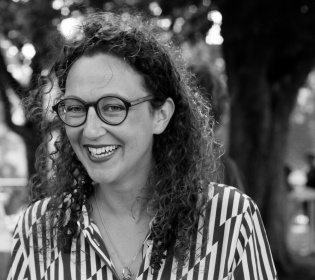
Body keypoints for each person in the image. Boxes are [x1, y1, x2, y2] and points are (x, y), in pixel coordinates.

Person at [6, 11, 278, 280]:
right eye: (76, 108)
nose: (89, 130)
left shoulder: (229, 220)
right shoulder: (40, 228)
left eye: (112, 107)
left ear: (160, 115)